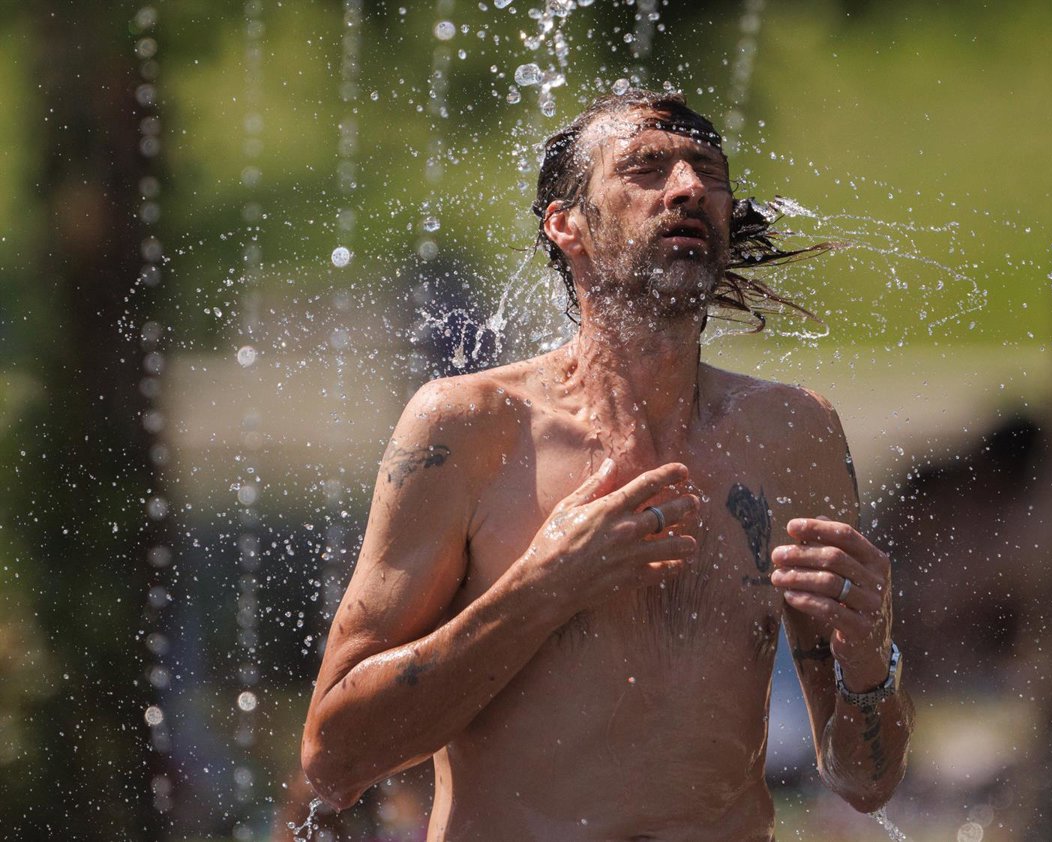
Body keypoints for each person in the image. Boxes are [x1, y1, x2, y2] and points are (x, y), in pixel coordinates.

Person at [301, 89, 914, 840]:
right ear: (567, 225)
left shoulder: (793, 434)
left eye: (709, 173)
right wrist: (543, 587)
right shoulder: (468, 428)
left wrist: (869, 658)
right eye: (646, 169)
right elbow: (334, 760)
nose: (689, 187)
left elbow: (864, 780)